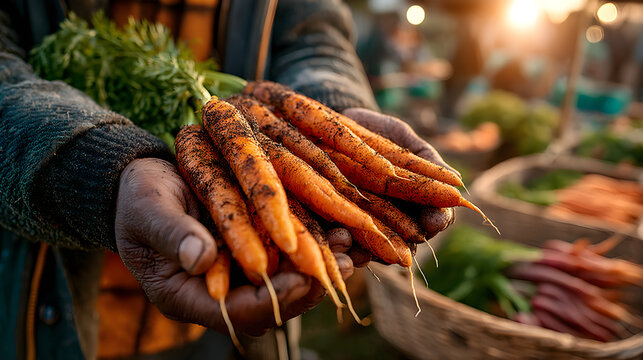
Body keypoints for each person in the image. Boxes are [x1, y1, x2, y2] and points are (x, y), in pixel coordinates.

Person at [0, 0, 456, 359]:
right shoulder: (196, 130)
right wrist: (100, 171)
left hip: (241, 322)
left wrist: (329, 107)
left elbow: (311, 37)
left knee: (326, 200)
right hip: (51, 304)